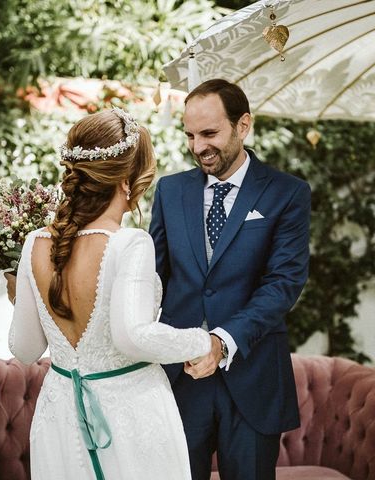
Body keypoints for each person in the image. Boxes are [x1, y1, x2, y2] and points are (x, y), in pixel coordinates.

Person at [7, 108, 211, 480]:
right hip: (130, 416)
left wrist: (27, 300)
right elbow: (133, 337)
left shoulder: (34, 244)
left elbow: (24, 349)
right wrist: (202, 343)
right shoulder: (130, 243)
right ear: (127, 182)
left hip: (60, 414)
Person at [149, 79, 311, 480]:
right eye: (189, 134)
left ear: (243, 126)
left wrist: (222, 341)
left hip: (253, 375)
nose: (197, 146)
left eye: (209, 133)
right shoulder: (169, 191)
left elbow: (284, 283)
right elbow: (152, 278)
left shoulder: (287, 194)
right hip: (180, 378)